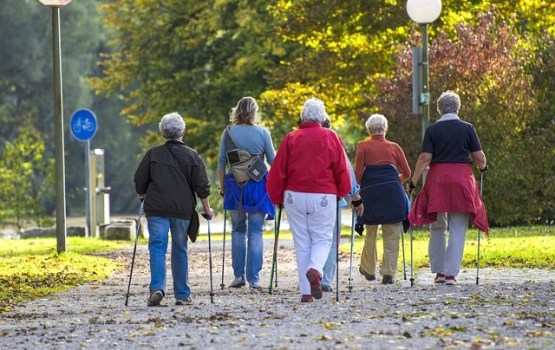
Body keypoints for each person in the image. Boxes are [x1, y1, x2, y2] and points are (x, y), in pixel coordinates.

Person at [266, 98, 352, 302]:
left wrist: (277, 197)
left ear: (303, 117)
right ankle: (315, 269)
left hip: (294, 195)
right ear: (322, 117)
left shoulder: (291, 138)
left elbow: (278, 171)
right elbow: (342, 168)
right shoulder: (331, 136)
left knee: (302, 242)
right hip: (323, 194)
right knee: (322, 238)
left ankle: (306, 292)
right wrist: (342, 191)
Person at [408, 90, 488, 285]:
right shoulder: (467, 128)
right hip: (462, 179)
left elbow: (425, 158)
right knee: (458, 227)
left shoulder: (432, 130)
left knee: (437, 225)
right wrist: (483, 167)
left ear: (439, 109)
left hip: (438, 180)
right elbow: (479, 157)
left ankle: (439, 273)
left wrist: (413, 181)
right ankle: (451, 274)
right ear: (458, 108)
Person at [134, 112, 214, 306]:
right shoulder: (193, 155)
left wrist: (142, 193)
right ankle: (182, 294)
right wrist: (207, 209)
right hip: (182, 210)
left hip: (157, 209)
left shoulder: (153, 154)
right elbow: (202, 185)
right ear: (182, 132)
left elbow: (139, 179)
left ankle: (157, 288)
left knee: (157, 247)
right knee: (180, 249)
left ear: (163, 133)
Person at [218, 96, 275, 291]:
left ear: (237, 111)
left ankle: (239, 275)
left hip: (235, 185)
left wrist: (222, 187)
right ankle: (254, 279)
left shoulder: (228, 133)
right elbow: (273, 162)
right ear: (254, 112)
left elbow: (221, 163)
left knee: (238, 230)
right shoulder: (263, 133)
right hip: (258, 186)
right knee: (256, 231)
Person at [354, 114, 411, 285]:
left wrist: (360, 189)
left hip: (371, 193)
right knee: (392, 232)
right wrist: (393, 181)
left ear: (369, 129)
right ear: (385, 129)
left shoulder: (362, 146)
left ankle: (369, 269)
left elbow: (357, 175)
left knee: (371, 231)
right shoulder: (394, 147)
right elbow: (407, 173)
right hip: (393, 193)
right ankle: (388, 274)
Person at [320, 117, 363, 293]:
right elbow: (346, 171)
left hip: (304, 197)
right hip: (332, 198)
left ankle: (312, 274)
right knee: (330, 240)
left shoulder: (298, 139)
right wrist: (355, 196)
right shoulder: (334, 141)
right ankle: (325, 279)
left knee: (311, 239)